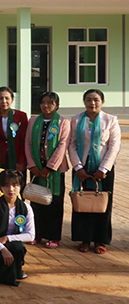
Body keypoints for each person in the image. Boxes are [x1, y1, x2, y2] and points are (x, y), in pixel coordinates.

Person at [68, 89, 120, 254]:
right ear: (84, 102)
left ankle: (100, 240)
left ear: (102, 102)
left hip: (103, 170)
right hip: (82, 170)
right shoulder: (76, 120)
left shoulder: (110, 120)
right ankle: (84, 239)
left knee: (102, 204)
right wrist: (78, 167)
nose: (92, 103)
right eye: (89, 100)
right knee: (82, 203)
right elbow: (72, 144)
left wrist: (103, 168)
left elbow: (114, 146)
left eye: (96, 100)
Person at [25, 91, 70, 248]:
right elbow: (28, 143)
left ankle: (53, 236)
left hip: (55, 171)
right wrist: (32, 165)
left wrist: (50, 167)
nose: (46, 105)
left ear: (56, 105)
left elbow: (62, 145)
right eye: (43, 102)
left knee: (54, 203)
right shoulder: (33, 121)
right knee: (37, 201)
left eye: (50, 102)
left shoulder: (63, 122)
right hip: (36, 169)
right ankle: (36, 234)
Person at [0, 169, 35, 286]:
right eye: (6, 185)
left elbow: (31, 235)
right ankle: (0, 270)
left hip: (11, 242)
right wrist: (3, 249)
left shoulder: (26, 208)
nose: (11, 189)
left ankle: (15, 269)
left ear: (20, 186)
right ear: (0, 187)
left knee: (17, 247)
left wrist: (7, 238)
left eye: (15, 185)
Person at [0, 86, 29, 174]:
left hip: (16, 157)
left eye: (7, 98)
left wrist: (22, 161)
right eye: (0, 98)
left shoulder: (21, 116)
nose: (4, 101)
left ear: (12, 99)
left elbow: (24, 140)